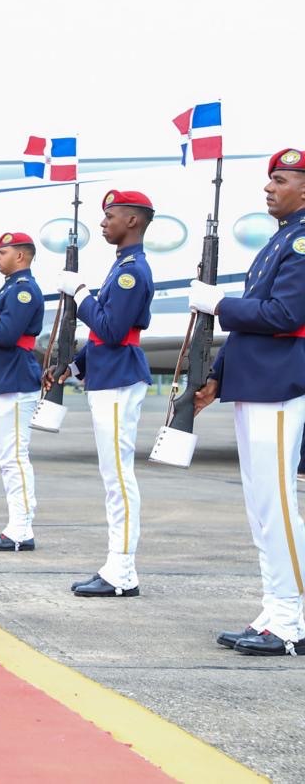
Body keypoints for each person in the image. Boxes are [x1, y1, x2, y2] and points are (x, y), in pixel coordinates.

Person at [193, 149, 305, 656]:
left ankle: (290, 621)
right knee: (262, 508)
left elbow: (283, 315)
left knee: (277, 507)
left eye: (280, 180)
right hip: (255, 382)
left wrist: (219, 303)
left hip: (279, 385)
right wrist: (218, 375)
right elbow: (251, 324)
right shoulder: (280, 240)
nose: (268, 188)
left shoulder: (301, 243)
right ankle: (275, 606)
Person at [48, 190, 155, 598]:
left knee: (118, 477)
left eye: (111, 215)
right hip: (108, 375)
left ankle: (122, 570)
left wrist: (80, 293)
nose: (103, 222)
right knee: (113, 475)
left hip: (118, 379)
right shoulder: (122, 266)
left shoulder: (132, 271)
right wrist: (74, 367)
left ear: (133, 221)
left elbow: (111, 329)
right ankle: (117, 565)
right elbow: (101, 338)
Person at [0, 232, 44, 552]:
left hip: (14, 382)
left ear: (20, 256)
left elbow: (6, 334)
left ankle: (20, 529)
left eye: (2, 252)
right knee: (10, 459)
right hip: (3, 381)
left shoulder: (23, 290)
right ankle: (18, 525)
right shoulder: (10, 287)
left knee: (14, 459)